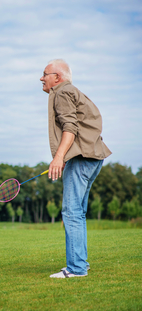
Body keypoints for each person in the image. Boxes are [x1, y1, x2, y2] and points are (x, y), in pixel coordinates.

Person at [40, 59, 111, 278]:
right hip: (93, 158)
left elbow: (69, 127)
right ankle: (80, 264)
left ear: (57, 77)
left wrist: (58, 158)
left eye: (45, 74)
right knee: (77, 213)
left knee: (71, 213)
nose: (41, 78)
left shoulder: (62, 93)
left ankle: (77, 268)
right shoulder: (73, 91)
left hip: (81, 159)